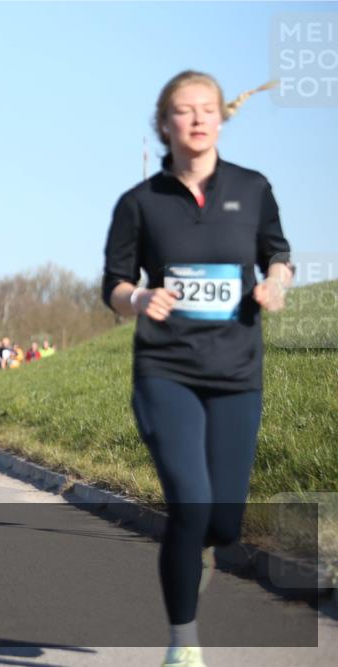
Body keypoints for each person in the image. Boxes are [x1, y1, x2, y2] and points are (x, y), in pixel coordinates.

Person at [103, 71, 291, 667]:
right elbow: (114, 282)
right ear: (166, 124)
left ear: (221, 117)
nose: (198, 118)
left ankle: (203, 549)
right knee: (189, 503)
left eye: (207, 108)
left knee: (224, 522)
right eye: (184, 111)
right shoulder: (140, 203)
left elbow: (277, 255)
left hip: (237, 371)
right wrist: (137, 300)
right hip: (167, 370)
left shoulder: (253, 188)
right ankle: (183, 643)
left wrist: (276, 285)